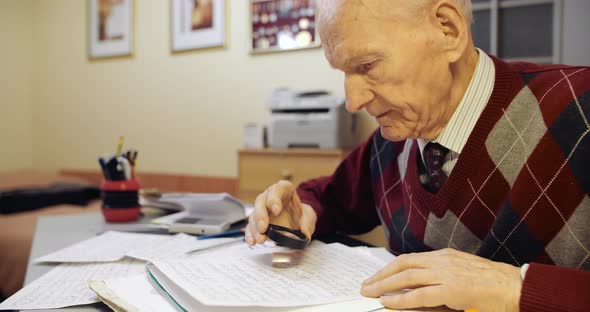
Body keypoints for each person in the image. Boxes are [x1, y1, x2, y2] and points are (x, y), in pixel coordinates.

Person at [245, 0, 590, 311]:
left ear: (448, 29)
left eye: (366, 66)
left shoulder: (581, 109)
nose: (353, 102)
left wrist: (515, 286)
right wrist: (297, 212)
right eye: (344, 73)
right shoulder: (392, 139)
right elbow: (328, 200)